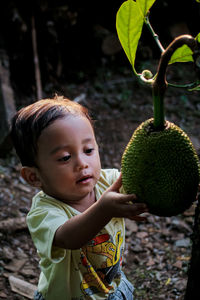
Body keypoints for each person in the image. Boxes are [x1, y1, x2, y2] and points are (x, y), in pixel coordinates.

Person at [11, 95, 148, 300]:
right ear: (34, 176)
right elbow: (70, 238)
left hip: (113, 287)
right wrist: (105, 208)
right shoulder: (43, 212)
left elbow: (143, 182)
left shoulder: (107, 182)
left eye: (88, 150)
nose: (82, 163)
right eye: (65, 157)